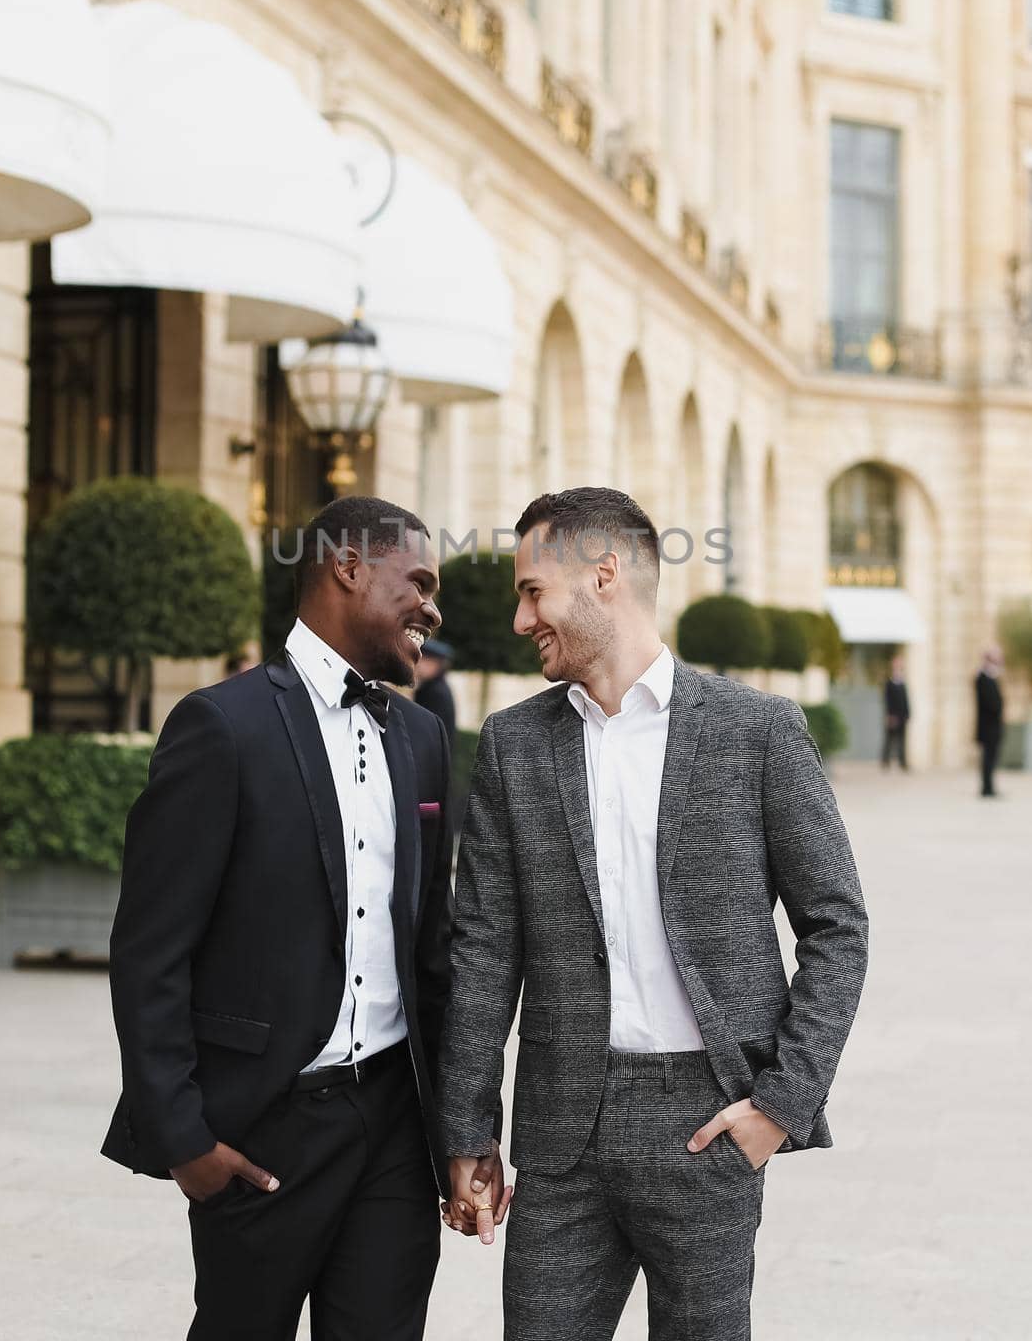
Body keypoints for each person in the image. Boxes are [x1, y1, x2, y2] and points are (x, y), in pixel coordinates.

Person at [438, 486, 869, 1341]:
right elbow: (483, 950)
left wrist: (779, 1104)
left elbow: (837, 925)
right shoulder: (514, 744)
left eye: (531, 592)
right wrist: (467, 1126)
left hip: (708, 1121)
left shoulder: (757, 731)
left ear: (603, 577)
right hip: (560, 1134)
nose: (521, 620)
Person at [102, 495, 506, 1341]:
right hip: (263, 1129)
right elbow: (150, 950)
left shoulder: (423, 738)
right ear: (348, 567)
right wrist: (185, 1140)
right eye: (419, 581)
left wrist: (461, 1131)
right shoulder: (221, 725)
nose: (433, 606)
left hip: (395, 1122)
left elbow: (431, 952)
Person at [414, 637, 457, 749]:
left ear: (435, 665)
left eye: (422, 660)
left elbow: (427, 732)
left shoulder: (435, 692)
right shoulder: (435, 687)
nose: (417, 665)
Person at [975, 646, 1005, 799]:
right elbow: (990, 703)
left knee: (992, 757)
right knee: (987, 758)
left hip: (994, 726)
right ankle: (986, 788)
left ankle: (990, 787)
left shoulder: (992, 677)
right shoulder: (982, 677)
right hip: (987, 726)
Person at [882, 653, 910, 770]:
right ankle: (886, 761)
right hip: (893, 715)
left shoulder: (902, 682)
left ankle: (903, 762)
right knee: (890, 739)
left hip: (902, 715)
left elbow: (906, 699)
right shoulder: (889, 683)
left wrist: (908, 713)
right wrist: (889, 715)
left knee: (902, 740)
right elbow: (887, 700)